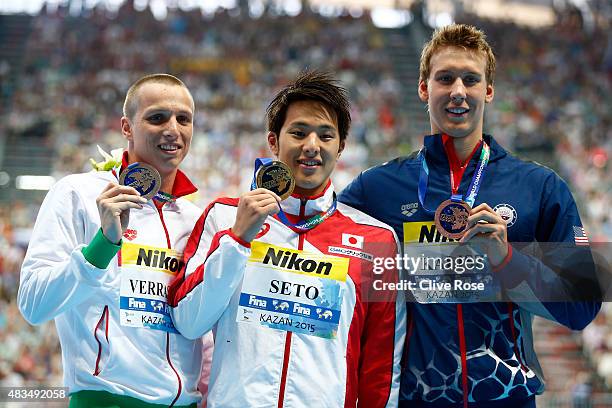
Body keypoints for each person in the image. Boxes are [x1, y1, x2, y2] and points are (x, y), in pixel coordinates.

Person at [339, 24, 601, 407]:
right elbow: (317, 241)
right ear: (424, 89)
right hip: (416, 401)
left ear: (488, 91)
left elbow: (581, 308)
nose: (458, 91)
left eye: (470, 79)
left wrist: (507, 260)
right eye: (445, 78)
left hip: (507, 399)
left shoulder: (540, 188)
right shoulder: (377, 188)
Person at [168, 71, 406, 407]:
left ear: (341, 149)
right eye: (298, 132)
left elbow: (381, 366)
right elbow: (188, 321)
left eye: (326, 136)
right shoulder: (224, 217)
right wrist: (237, 242)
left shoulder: (377, 241)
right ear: (274, 141)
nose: (311, 146)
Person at [18, 73, 211, 407]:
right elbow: (34, 304)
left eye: (184, 119)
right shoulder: (78, 193)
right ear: (126, 128)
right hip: (107, 400)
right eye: (156, 118)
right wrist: (102, 246)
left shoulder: (196, 219)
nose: (173, 129)